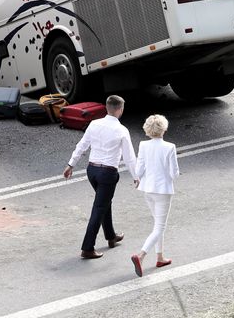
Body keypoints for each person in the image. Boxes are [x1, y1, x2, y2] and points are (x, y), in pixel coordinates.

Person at [62, 95, 137, 260]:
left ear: (107, 108)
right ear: (120, 109)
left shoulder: (94, 124)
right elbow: (129, 157)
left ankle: (111, 236)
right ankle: (87, 248)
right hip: (107, 174)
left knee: (104, 202)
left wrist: (71, 164)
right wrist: (136, 176)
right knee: (99, 208)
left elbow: (82, 145)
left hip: (92, 171)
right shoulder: (122, 130)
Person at [131, 114, 181, 276]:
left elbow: (139, 171)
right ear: (164, 129)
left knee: (158, 225)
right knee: (160, 226)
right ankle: (141, 255)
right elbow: (174, 174)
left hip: (147, 189)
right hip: (163, 191)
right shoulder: (170, 147)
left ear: (148, 129)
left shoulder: (143, 145)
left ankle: (160, 257)